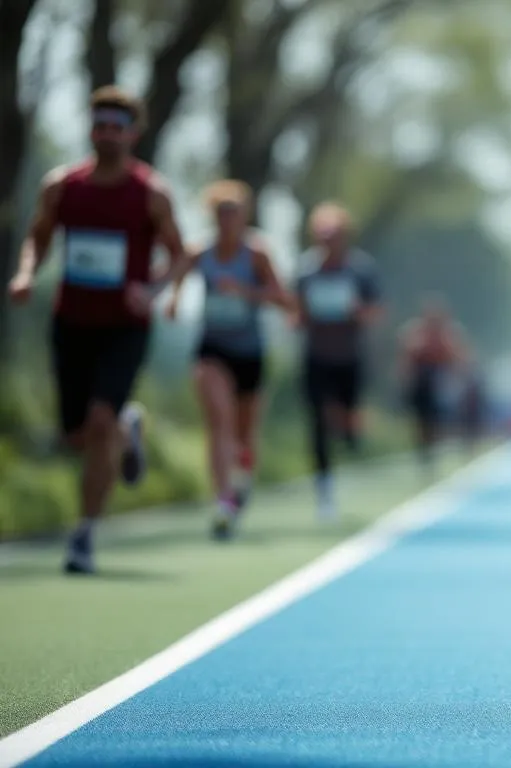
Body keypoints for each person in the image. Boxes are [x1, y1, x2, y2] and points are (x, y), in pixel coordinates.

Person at [6, 86, 193, 574]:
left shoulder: (151, 193)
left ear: (133, 133)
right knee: (75, 434)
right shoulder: (63, 185)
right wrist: (26, 273)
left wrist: (152, 293)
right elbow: (37, 235)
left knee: (99, 421)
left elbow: (180, 257)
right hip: (71, 322)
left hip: (124, 327)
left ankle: (84, 533)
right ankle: (130, 430)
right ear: (90, 129)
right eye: (101, 124)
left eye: (118, 126)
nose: (108, 133)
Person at [165, 179, 293, 540]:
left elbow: (283, 299)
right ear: (213, 216)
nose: (227, 220)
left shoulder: (257, 254)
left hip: (249, 351)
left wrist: (246, 291)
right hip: (212, 347)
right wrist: (174, 299)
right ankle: (222, 501)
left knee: (244, 432)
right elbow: (176, 275)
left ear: (244, 217)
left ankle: (242, 482)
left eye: (234, 213)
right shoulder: (199, 251)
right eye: (221, 213)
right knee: (218, 421)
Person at [291, 202, 382, 520]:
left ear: (345, 236)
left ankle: (351, 435)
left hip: (350, 357)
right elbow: (295, 312)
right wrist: (300, 317)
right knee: (317, 422)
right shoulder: (305, 270)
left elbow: (376, 311)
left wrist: (358, 312)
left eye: (335, 235)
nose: (329, 242)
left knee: (346, 425)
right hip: (316, 356)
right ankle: (324, 489)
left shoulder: (361, 270)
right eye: (323, 236)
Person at [396, 296, 475, 469]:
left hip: (441, 384)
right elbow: (406, 359)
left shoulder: (451, 333)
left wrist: (458, 380)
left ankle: (438, 447)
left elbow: (460, 360)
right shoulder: (415, 332)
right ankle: (424, 452)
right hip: (420, 384)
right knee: (421, 421)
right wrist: (405, 378)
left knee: (437, 419)